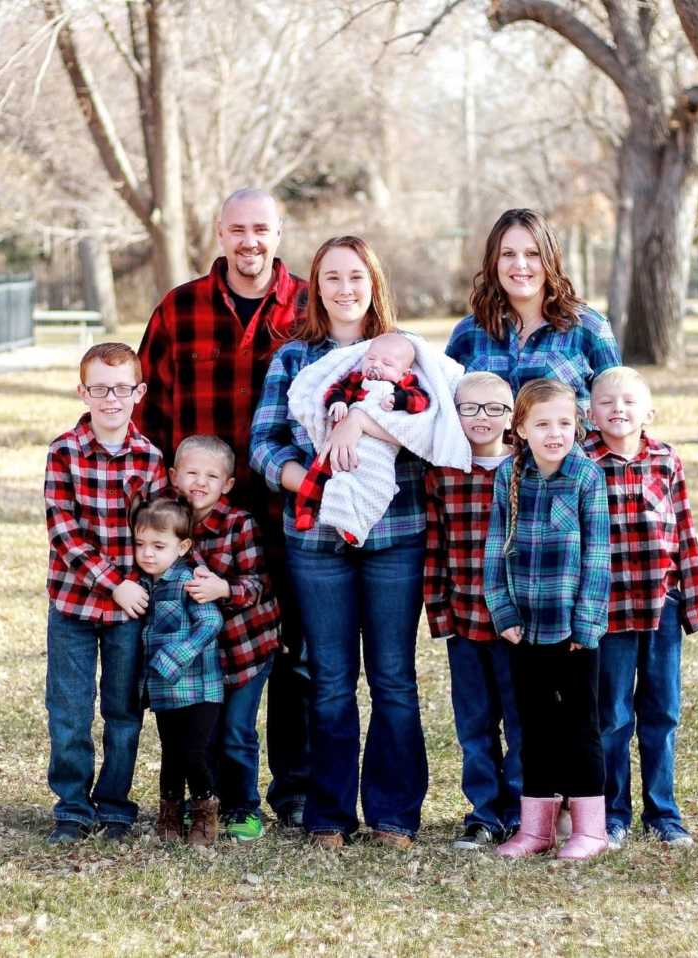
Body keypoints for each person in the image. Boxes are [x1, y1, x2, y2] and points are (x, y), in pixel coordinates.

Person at [133, 188, 310, 829]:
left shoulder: (308, 310)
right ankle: (205, 785)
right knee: (202, 650)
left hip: (289, 514)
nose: (249, 241)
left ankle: (292, 791)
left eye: (261, 228)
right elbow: (147, 418)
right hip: (199, 523)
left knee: (293, 653)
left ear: (279, 232)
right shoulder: (179, 310)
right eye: (237, 229)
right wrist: (161, 513)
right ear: (219, 234)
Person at [250, 235, 428, 849]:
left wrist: (361, 420)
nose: (345, 288)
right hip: (316, 541)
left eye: (356, 276)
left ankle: (394, 815)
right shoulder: (294, 359)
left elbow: (430, 427)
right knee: (328, 678)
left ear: (374, 283)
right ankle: (328, 814)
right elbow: (264, 444)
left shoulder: (405, 355)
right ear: (315, 287)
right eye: (332, 277)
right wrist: (312, 485)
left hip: (396, 533)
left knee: (393, 678)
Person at [43, 342, 167, 845]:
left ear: (138, 392)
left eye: (120, 389)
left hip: (130, 610)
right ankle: (72, 806)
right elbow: (64, 530)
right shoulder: (63, 451)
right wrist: (113, 582)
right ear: (83, 391)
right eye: (99, 388)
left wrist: (136, 588)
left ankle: (115, 804)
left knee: (123, 710)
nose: (110, 399)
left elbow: (159, 533)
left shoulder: (151, 458)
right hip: (74, 603)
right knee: (69, 709)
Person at [484, 378, 611, 860]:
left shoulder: (585, 477)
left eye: (564, 423)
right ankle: (536, 830)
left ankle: (590, 830)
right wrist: (503, 610)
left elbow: (598, 555)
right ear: (520, 428)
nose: (554, 433)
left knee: (580, 725)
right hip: (524, 628)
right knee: (532, 725)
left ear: (577, 426)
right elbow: (496, 547)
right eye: (542, 424)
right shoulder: (508, 477)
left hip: (573, 630)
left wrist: (587, 623)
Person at [585, 366, 698, 850]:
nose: (618, 408)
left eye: (629, 401)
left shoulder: (665, 459)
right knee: (612, 715)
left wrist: (694, 601)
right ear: (590, 413)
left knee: (662, 711)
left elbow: (683, 529)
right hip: (609, 609)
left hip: (661, 603)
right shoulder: (583, 462)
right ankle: (612, 813)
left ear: (648, 412)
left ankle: (663, 812)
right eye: (607, 401)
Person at [424, 371, 523, 850]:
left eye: (495, 409)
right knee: (474, 723)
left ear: (513, 419)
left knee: (521, 719)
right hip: (466, 622)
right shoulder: (443, 472)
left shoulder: (527, 471)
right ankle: (484, 812)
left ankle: (525, 810)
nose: (482, 418)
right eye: (470, 408)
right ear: (455, 412)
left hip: (519, 627)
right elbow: (435, 549)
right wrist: (441, 618)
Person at [169, 435, 281, 842]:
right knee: (203, 734)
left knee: (237, 731)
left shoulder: (239, 524)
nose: (200, 482)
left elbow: (258, 585)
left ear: (227, 485)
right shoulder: (167, 523)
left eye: (211, 476)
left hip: (245, 648)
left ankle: (244, 808)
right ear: (173, 477)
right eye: (191, 473)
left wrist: (224, 590)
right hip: (198, 657)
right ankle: (204, 805)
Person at [446, 208, 621, 412]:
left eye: (532, 254)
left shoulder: (590, 328)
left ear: (549, 259)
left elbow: (620, 413)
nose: (520, 264)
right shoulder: (468, 333)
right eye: (508, 254)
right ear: (494, 262)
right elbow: (444, 416)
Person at [132, 497, 225, 847]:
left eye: (158, 545)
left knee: (193, 750)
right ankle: (169, 814)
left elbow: (211, 622)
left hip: (199, 687)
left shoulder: (187, 580)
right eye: (140, 545)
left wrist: (172, 658)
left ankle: (204, 810)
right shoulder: (145, 584)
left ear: (183, 546)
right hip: (164, 691)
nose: (148, 554)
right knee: (170, 751)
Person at [294, 331, 431, 544]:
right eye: (371, 359)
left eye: (387, 363)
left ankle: (354, 525)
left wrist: (399, 400)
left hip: (379, 453)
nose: (375, 365)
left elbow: (421, 402)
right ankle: (306, 513)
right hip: (341, 443)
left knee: (381, 487)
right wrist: (337, 402)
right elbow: (333, 389)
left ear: (405, 373)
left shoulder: (404, 386)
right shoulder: (357, 380)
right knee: (320, 470)